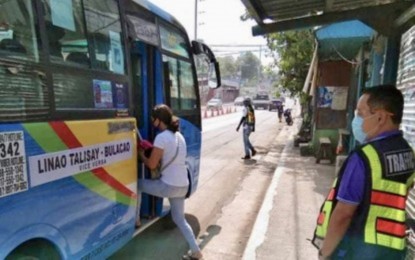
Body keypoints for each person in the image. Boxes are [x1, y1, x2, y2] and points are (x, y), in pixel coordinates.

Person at [312, 85, 415, 259]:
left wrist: (325, 253)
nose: (356, 120)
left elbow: (343, 214)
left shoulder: (364, 157)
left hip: (359, 250)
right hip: (393, 251)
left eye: (361, 114)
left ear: (381, 117)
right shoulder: (407, 152)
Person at [137, 104, 202, 260]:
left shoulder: (161, 137)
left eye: (153, 120)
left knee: (137, 185)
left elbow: (152, 164)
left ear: (159, 120)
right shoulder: (179, 136)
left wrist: (141, 155)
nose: (152, 123)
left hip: (169, 186)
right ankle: (196, 251)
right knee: (179, 219)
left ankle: (136, 220)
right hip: (183, 185)